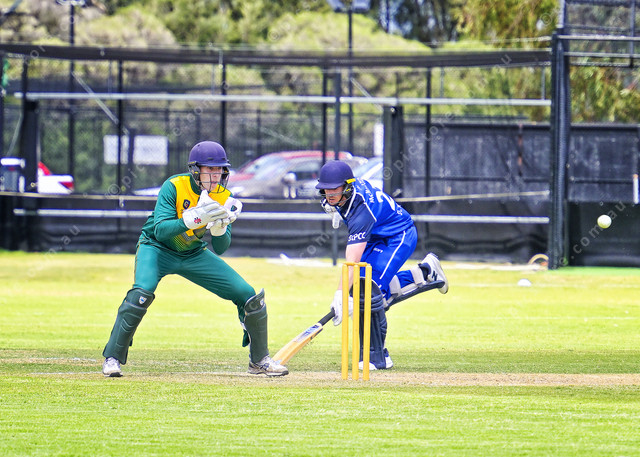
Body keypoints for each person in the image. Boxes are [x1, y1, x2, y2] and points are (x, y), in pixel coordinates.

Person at [101, 141, 288, 377]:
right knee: (141, 293)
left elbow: (221, 248)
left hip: (192, 252)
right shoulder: (174, 186)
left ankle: (259, 361)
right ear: (195, 170)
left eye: (220, 170)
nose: (216, 175)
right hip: (156, 248)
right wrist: (192, 220)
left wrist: (220, 229)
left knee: (249, 296)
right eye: (210, 169)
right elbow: (160, 230)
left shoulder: (224, 196)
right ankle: (112, 358)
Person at [316, 160, 449, 370]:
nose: (329, 194)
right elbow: (337, 202)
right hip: (376, 235)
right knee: (364, 290)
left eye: (335, 189)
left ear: (347, 186)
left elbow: (352, 261)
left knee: (369, 291)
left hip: (398, 235)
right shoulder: (345, 194)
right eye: (326, 189)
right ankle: (425, 272)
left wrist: (340, 295)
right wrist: (336, 210)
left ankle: (378, 357)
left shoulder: (361, 211)